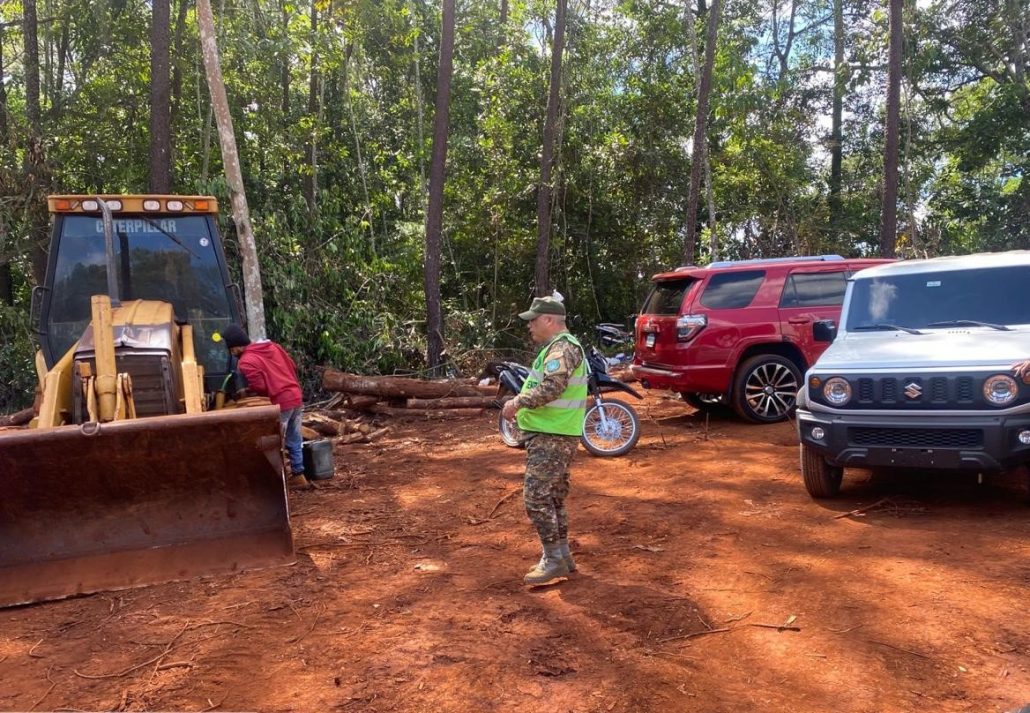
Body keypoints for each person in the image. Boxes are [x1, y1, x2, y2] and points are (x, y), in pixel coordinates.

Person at [500, 296, 588, 586]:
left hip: (554, 435)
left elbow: (552, 387)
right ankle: (562, 556)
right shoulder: (559, 347)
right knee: (553, 496)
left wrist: (517, 402)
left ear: (549, 320)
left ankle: (552, 559)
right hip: (555, 432)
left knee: (536, 497)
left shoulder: (562, 348)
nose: (529, 327)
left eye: (533, 321)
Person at [221, 324, 310, 489]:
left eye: (231, 349)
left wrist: (248, 391)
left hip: (281, 402)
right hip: (295, 396)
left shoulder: (246, 361)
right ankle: (299, 475)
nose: (232, 353)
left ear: (236, 346)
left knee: (274, 441)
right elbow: (292, 365)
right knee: (294, 437)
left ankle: (275, 482)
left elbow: (260, 386)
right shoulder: (272, 347)